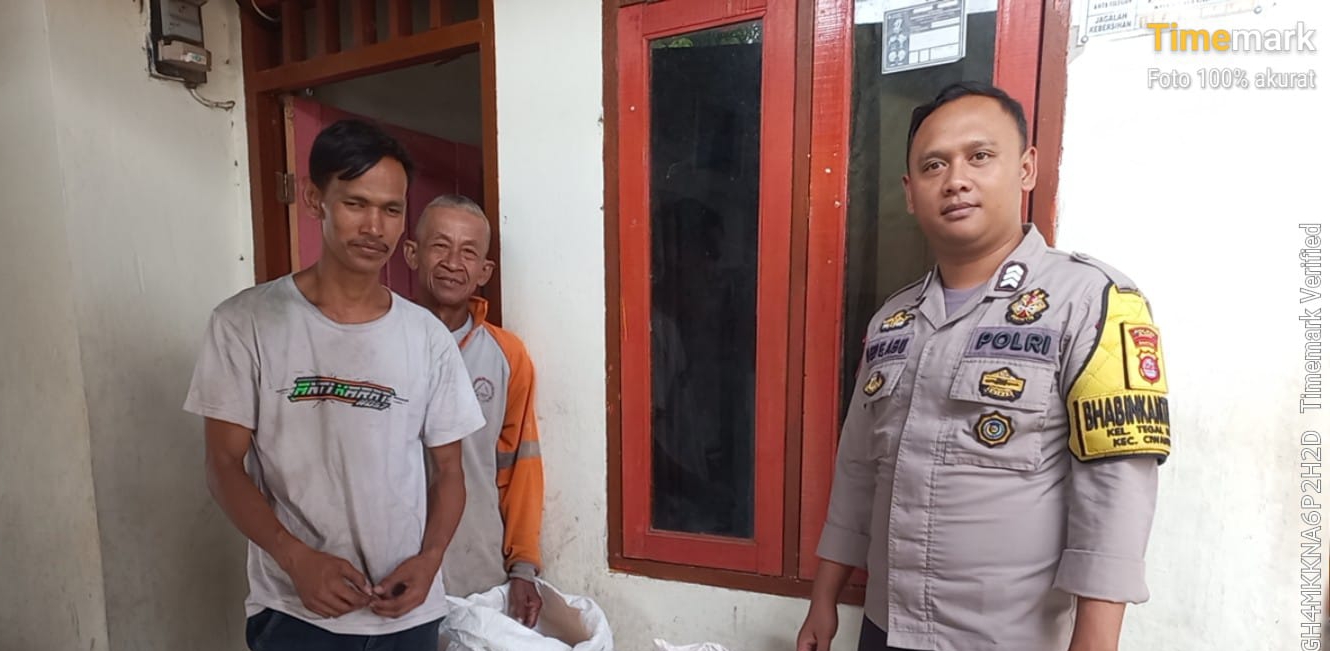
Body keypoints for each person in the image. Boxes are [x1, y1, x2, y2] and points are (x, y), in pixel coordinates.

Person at [796, 81, 1171, 651]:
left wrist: (1096, 642)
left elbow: (1115, 491)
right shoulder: (892, 321)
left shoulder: (1092, 301)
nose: (956, 180)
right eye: (933, 165)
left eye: (980, 156)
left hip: (1007, 637)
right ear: (910, 192)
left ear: (1026, 168)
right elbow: (856, 471)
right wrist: (824, 599)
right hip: (886, 627)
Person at [184, 120, 484, 650]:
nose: (374, 226)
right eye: (355, 203)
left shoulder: (427, 338)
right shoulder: (246, 323)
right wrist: (295, 557)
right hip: (296, 613)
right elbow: (223, 465)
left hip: (407, 614)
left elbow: (449, 472)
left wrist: (431, 559)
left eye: (391, 210)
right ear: (313, 198)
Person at [403, 194, 546, 627]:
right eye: (439, 246)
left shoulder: (507, 356)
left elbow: (520, 467)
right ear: (411, 253)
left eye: (468, 252)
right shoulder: (377, 343)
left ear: (485, 271)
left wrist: (523, 567)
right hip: (391, 568)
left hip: (475, 571)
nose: (453, 263)